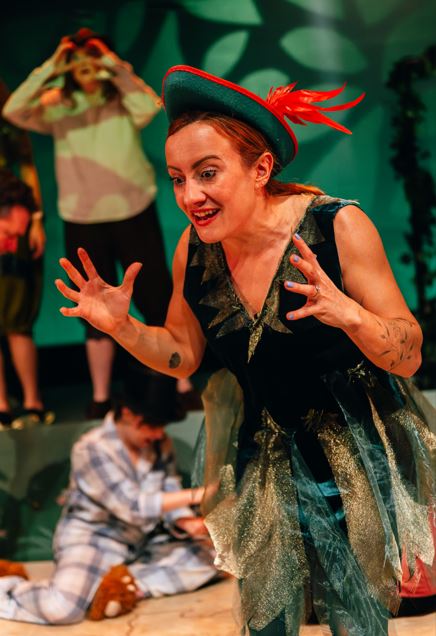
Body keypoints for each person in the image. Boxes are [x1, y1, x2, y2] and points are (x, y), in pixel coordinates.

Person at [55, 65, 435, 635]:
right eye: (178, 178)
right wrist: (124, 328)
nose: (191, 195)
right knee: (267, 620)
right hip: (265, 455)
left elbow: (409, 355)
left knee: (355, 619)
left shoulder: (338, 227)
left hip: (356, 457)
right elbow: (182, 353)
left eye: (207, 173)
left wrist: (350, 315)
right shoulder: (194, 249)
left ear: (260, 169)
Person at [2, 28, 183, 419]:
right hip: (82, 217)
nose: (86, 66)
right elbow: (14, 110)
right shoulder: (58, 103)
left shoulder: (122, 97)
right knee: (93, 305)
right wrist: (54, 63)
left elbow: (149, 107)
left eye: (92, 57)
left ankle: (180, 381)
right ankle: (100, 395)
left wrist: (112, 63)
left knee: (157, 299)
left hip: (133, 209)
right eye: (78, 60)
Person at [0, 362, 216, 624]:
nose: (159, 433)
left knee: (212, 558)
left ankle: (120, 585)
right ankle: (8, 587)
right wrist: (198, 495)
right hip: (96, 537)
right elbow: (132, 506)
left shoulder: (160, 444)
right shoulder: (92, 448)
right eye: (152, 425)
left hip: (142, 539)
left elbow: (169, 487)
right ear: (128, 414)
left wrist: (185, 521)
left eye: (162, 425)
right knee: (62, 609)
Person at [0, 79, 50, 428]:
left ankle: (33, 401)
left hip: (9, 214)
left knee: (18, 316)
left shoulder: (9, 122)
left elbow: (27, 166)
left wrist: (34, 219)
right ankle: (1, 403)